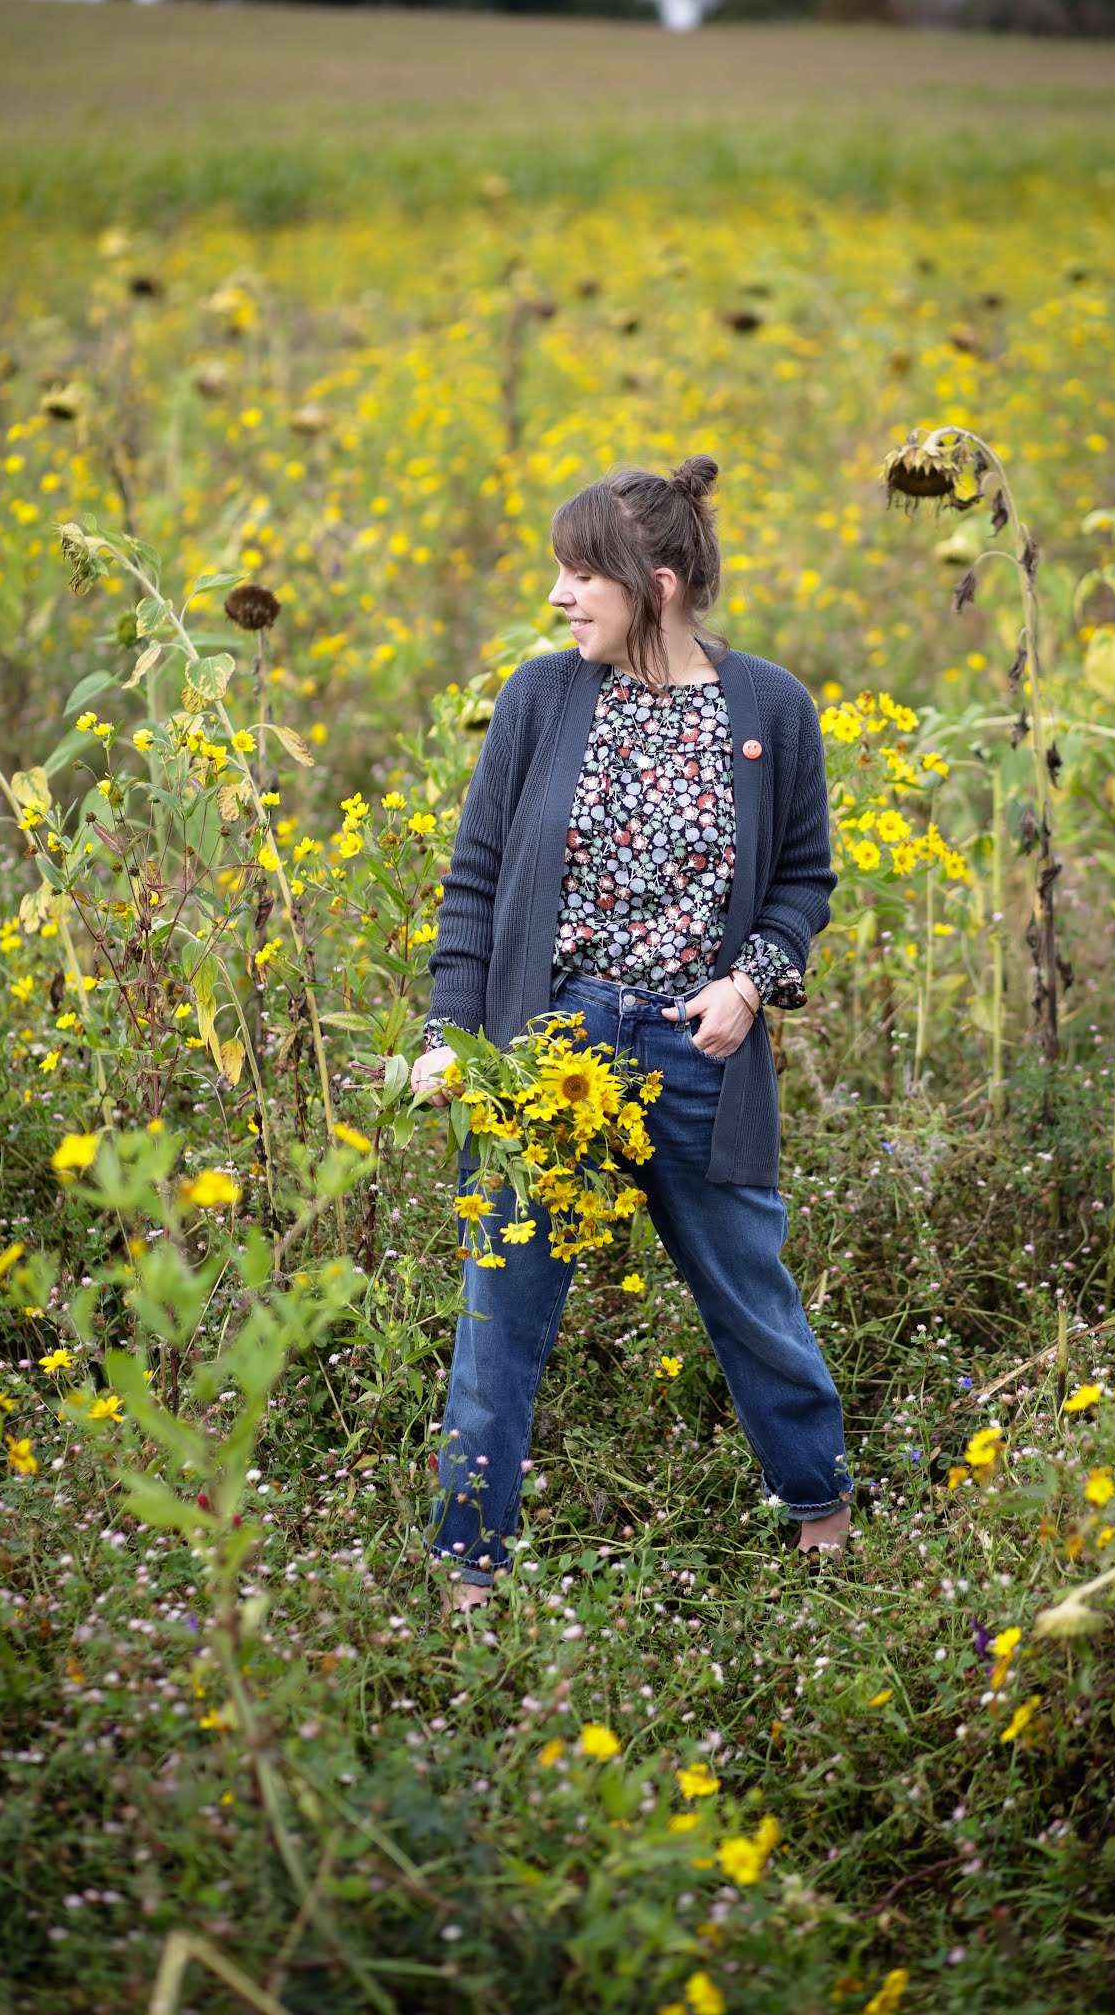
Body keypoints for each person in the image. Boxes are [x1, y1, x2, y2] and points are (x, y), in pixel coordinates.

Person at [412, 455, 851, 1610]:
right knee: (497, 1317)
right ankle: (465, 1576)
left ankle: (825, 1517)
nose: (559, 595)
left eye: (578, 572)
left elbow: (803, 880)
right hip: (551, 1054)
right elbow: (475, 881)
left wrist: (752, 984)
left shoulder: (769, 707)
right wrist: (453, 1030)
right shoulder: (542, 699)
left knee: (751, 1300)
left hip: (698, 1056)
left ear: (655, 583)